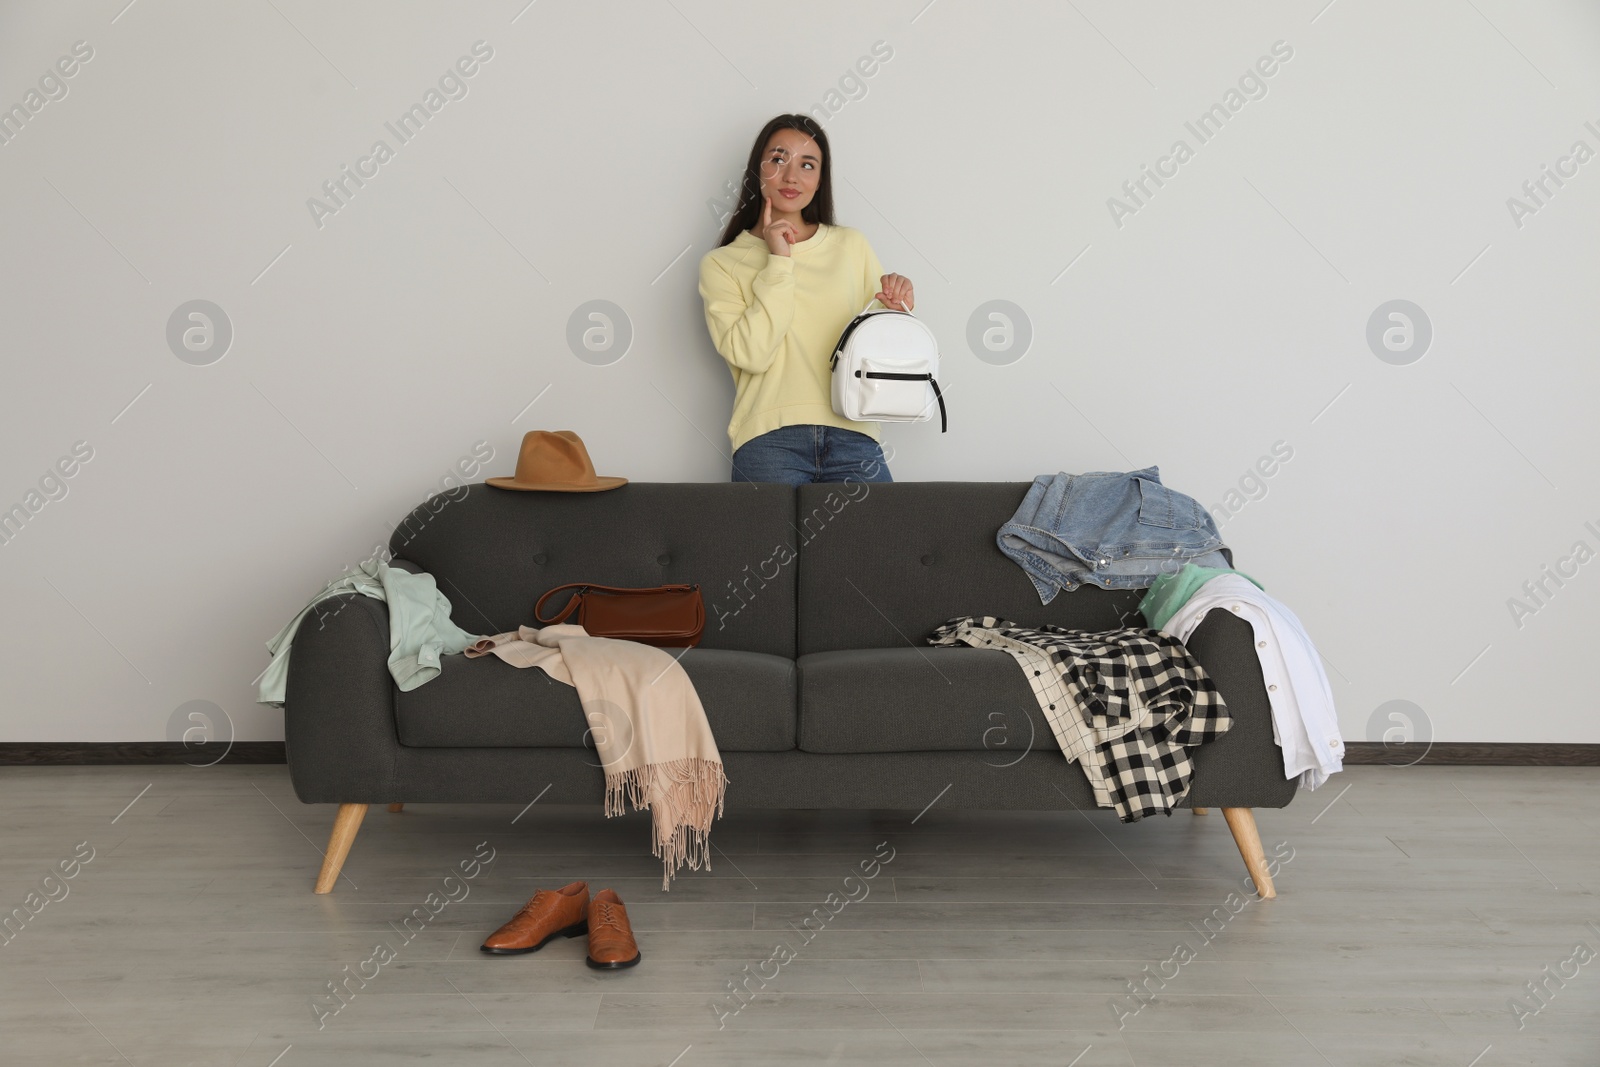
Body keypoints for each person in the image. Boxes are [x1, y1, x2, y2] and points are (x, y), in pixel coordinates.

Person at [698, 114, 916, 485]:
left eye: (807, 165)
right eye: (779, 159)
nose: (791, 176)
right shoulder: (722, 264)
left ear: (820, 180)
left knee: (880, 543)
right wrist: (779, 262)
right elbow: (753, 354)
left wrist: (897, 309)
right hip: (768, 440)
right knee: (764, 546)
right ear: (758, 168)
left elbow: (880, 351)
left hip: (854, 437)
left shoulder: (851, 246)